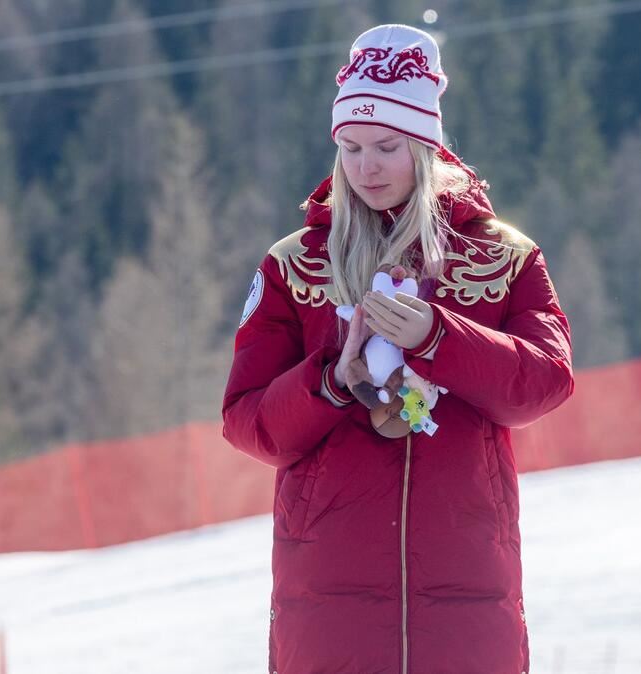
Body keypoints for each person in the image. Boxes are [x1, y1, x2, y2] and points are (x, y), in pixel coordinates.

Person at [222, 23, 573, 674]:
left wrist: (439, 337)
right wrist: (332, 379)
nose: (366, 167)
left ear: (426, 145)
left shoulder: (503, 257)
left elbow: (546, 382)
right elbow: (248, 422)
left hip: (467, 589)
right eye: (350, 147)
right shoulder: (293, 266)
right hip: (327, 602)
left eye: (387, 146)